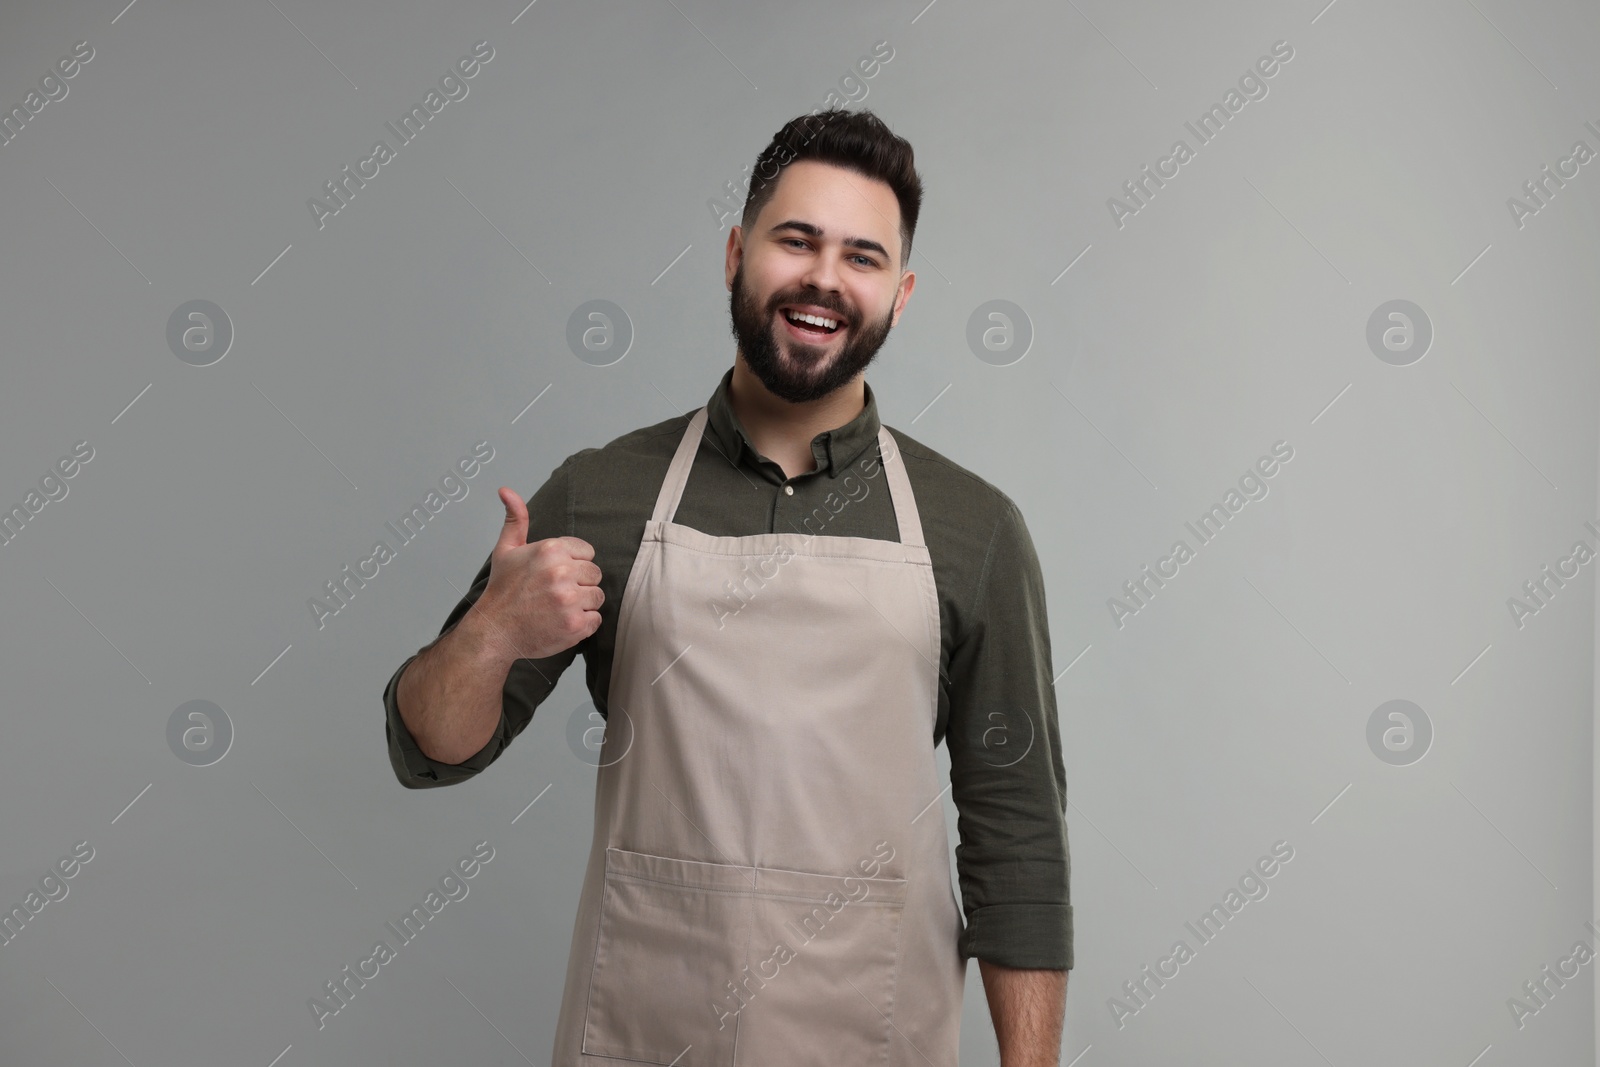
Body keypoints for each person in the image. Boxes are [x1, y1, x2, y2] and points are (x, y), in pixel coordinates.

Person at [383, 108, 1070, 1065]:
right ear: (736, 253)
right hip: (642, 1032)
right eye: (798, 240)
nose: (825, 276)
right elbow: (429, 749)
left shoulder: (976, 531)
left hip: (872, 1034)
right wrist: (492, 632)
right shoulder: (604, 492)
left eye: (862, 256)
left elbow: (1019, 844)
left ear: (900, 294)